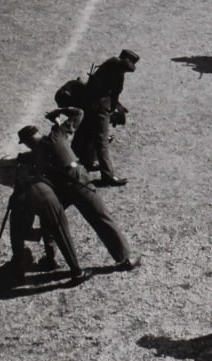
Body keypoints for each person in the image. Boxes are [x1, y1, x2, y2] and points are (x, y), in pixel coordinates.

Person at [18, 110, 141, 273]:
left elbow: (35, 158)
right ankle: (125, 258)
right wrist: (59, 113)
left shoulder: (36, 155)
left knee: (49, 219)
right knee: (101, 218)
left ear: (27, 142)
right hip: (80, 183)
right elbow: (79, 113)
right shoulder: (57, 135)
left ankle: (50, 259)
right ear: (37, 133)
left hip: (62, 191)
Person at [7, 126, 86, 285]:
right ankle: (61, 265)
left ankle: (21, 265)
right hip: (47, 195)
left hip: (33, 198)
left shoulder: (31, 160)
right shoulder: (47, 148)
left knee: (22, 230)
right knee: (57, 230)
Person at [72, 48, 139, 186]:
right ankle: (108, 175)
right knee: (102, 140)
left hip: (93, 103)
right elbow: (114, 93)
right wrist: (113, 109)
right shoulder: (116, 68)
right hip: (100, 106)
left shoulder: (111, 64)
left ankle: (86, 161)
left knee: (88, 132)